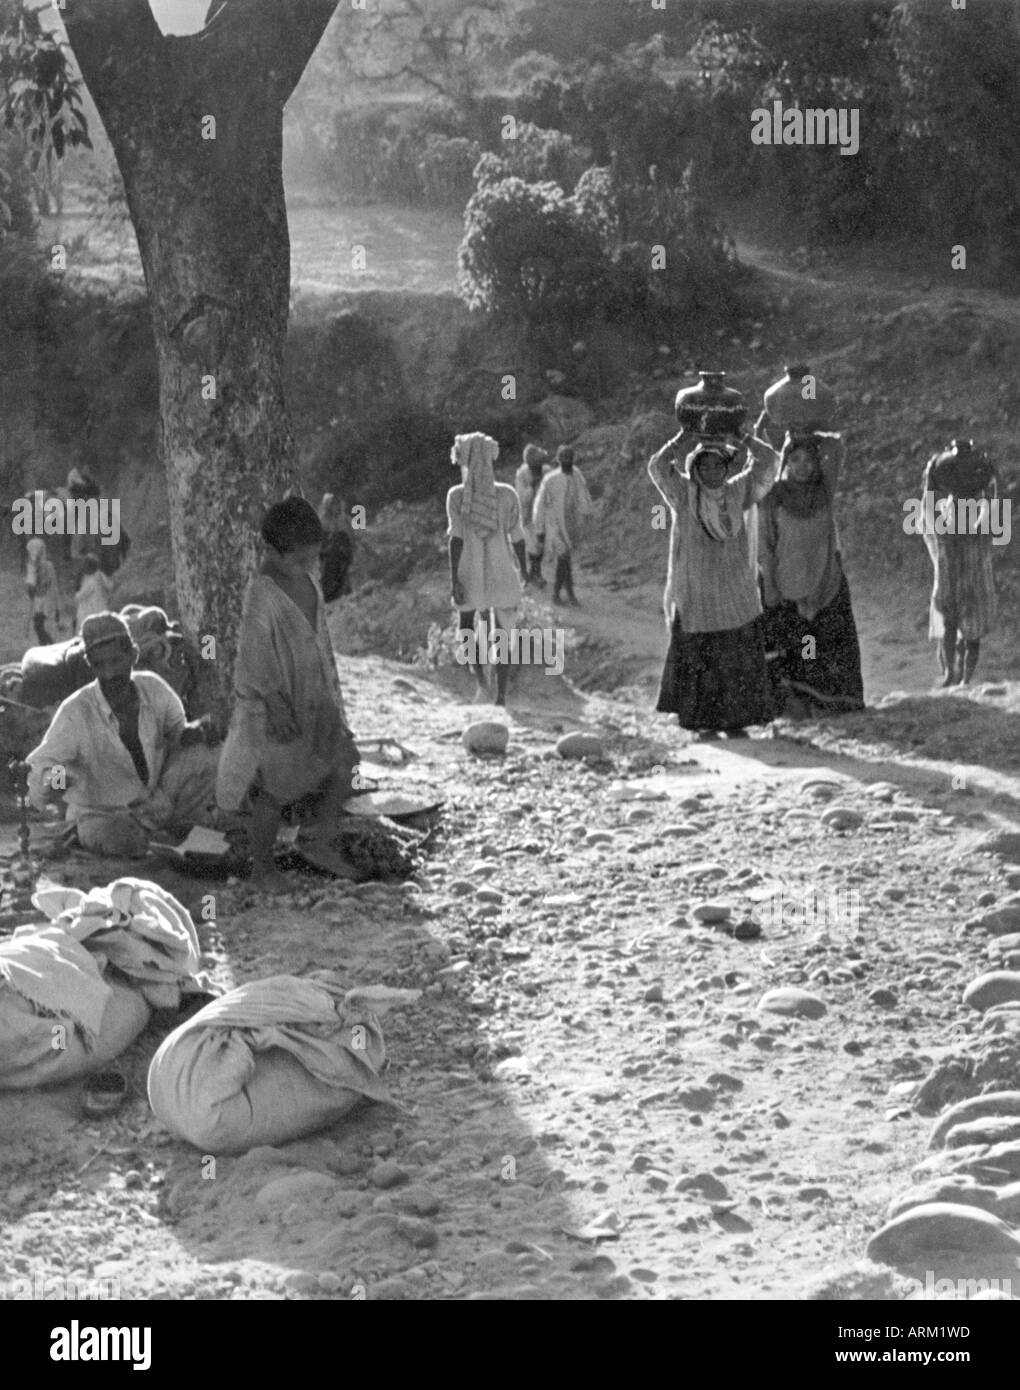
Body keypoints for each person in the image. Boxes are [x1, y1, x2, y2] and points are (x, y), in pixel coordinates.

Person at [216, 496, 358, 890]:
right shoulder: (263, 592)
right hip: (276, 707)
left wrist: (331, 700)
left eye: (313, 558)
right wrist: (275, 703)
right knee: (273, 788)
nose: (309, 567)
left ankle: (320, 840)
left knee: (344, 760)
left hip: (313, 697)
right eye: (299, 560)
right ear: (274, 553)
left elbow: (321, 645)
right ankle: (262, 869)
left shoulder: (310, 581)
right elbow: (253, 655)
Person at [26, 612, 220, 858]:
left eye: (116, 661)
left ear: (133, 655)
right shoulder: (76, 711)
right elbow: (41, 766)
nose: (109, 674)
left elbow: (179, 734)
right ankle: (164, 838)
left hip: (154, 804)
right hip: (102, 815)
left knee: (210, 753)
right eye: (100, 665)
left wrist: (195, 732)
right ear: (90, 665)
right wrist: (57, 780)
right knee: (123, 839)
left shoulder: (154, 688)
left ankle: (174, 831)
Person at [648, 425, 781, 737]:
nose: (711, 471)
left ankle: (736, 723)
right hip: (696, 592)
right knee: (702, 659)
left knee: (735, 658)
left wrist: (742, 436)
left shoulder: (739, 491)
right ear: (693, 468)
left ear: (727, 467)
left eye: (718, 464)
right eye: (704, 465)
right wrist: (682, 437)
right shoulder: (683, 493)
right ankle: (702, 724)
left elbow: (770, 463)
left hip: (735, 589)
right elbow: (657, 467)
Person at [758, 431, 864, 715]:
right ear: (786, 462)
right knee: (793, 648)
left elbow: (837, 447)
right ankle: (794, 706)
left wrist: (808, 431)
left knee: (821, 646)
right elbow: (765, 547)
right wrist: (769, 586)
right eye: (795, 459)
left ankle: (827, 705)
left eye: (810, 459)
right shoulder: (773, 497)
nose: (803, 466)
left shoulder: (824, 491)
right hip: (786, 586)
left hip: (825, 584)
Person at [447, 432, 527, 707]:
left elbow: (455, 540)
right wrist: (524, 570)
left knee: (467, 627)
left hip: (469, 572)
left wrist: (453, 579)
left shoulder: (456, 497)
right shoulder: (507, 494)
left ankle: (482, 682)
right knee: (504, 631)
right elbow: (517, 537)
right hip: (503, 570)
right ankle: (500, 695)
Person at [920, 441, 998, 687]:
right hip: (961, 561)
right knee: (953, 619)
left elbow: (928, 510)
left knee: (958, 621)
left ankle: (958, 677)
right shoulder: (980, 477)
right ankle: (955, 676)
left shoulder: (949, 480)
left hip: (966, 562)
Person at [533, 445, 593, 605]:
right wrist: (540, 530)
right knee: (564, 558)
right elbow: (539, 506)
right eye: (564, 457)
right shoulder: (550, 479)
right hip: (555, 525)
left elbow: (583, 496)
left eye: (570, 457)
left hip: (571, 523)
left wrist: (587, 515)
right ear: (558, 459)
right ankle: (558, 594)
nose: (567, 460)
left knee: (566, 560)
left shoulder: (577, 475)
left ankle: (568, 594)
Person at [513, 444, 549, 588]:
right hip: (528, 514)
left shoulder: (547, 472)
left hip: (544, 514)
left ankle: (533, 572)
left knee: (541, 545)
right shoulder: (522, 475)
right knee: (533, 544)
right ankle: (535, 573)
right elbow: (521, 497)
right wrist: (532, 486)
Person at [317, 493, 355, 602]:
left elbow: (350, 537)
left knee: (343, 577)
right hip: (328, 556)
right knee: (328, 578)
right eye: (332, 504)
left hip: (342, 554)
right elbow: (319, 541)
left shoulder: (344, 520)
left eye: (337, 504)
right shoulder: (322, 522)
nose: (335, 507)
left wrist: (348, 550)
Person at [25, 537, 63, 645]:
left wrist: (56, 606)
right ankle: (45, 645)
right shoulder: (31, 567)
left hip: (46, 599)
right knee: (38, 626)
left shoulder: (48, 566)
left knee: (40, 626)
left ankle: (51, 645)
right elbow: (30, 584)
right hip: (38, 599)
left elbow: (53, 585)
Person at [75, 554, 116, 630]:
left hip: (89, 612)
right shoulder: (100, 574)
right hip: (101, 607)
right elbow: (110, 586)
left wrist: (76, 594)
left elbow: (80, 596)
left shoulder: (90, 581)